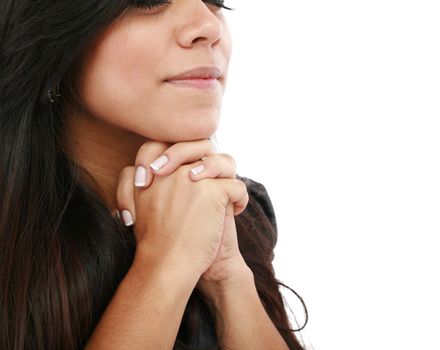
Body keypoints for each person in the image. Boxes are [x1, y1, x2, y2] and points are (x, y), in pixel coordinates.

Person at [0, 0, 307, 348]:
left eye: (215, 1)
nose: (209, 26)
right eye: (148, 1)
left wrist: (228, 278)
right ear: (53, 36)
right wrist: (164, 265)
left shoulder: (240, 215)